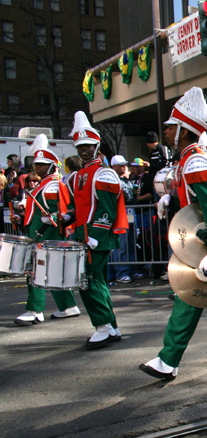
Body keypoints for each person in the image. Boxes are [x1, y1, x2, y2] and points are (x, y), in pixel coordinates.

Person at [139, 87, 207, 381]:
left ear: (183, 131)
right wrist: (168, 200)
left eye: (170, 127)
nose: (166, 132)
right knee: (201, 301)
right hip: (197, 246)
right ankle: (173, 360)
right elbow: (194, 201)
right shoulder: (187, 159)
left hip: (205, 247)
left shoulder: (196, 161)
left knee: (200, 300)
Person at [60, 111, 128, 350]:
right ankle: (110, 326)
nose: (84, 150)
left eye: (88, 146)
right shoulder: (78, 175)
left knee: (87, 281)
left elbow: (107, 210)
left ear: (97, 145)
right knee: (96, 281)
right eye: (80, 147)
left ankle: (103, 328)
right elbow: (78, 205)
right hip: (84, 236)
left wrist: (95, 237)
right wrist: (68, 216)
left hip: (95, 238)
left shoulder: (104, 173)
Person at [11, 135, 81, 325]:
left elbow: (60, 210)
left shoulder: (51, 185)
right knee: (55, 272)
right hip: (43, 234)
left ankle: (35, 310)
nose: (38, 167)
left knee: (35, 272)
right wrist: (20, 218)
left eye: (43, 164)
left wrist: (50, 218)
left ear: (53, 166)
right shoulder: (43, 184)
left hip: (46, 235)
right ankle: (68, 307)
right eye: (37, 164)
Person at [109, 155, 139, 283]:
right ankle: (122, 272)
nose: (124, 167)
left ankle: (131, 269)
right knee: (122, 245)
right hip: (121, 214)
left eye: (125, 165)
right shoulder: (113, 179)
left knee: (131, 243)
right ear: (114, 166)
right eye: (121, 165)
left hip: (131, 214)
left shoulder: (126, 180)